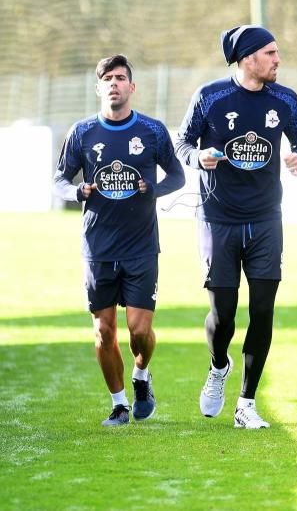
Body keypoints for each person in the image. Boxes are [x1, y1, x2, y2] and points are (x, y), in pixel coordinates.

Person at [175, 25, 297, 429]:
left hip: (267, 219)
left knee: (264, 310)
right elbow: (182, 144)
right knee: (223, 315)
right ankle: (219, 367)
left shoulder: (285, 99)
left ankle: (247, 403)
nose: (277, 60)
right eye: (270, 53)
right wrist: (199, 157)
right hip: (218, 220)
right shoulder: (210, 96)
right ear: (248, 58)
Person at [54, 54, 185, 427]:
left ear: (132, 87)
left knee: (139, 330)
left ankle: (142, 376)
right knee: (104, 330)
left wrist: (153, 188)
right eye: (107, 78)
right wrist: (78, 191)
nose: (114, 83)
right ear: (99, 88)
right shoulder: (82, 133)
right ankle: (119, 404)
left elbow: (177, 176)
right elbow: (59, 180)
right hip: (98, 248)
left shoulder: (152, 131)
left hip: (141, 246)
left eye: (120, 77)